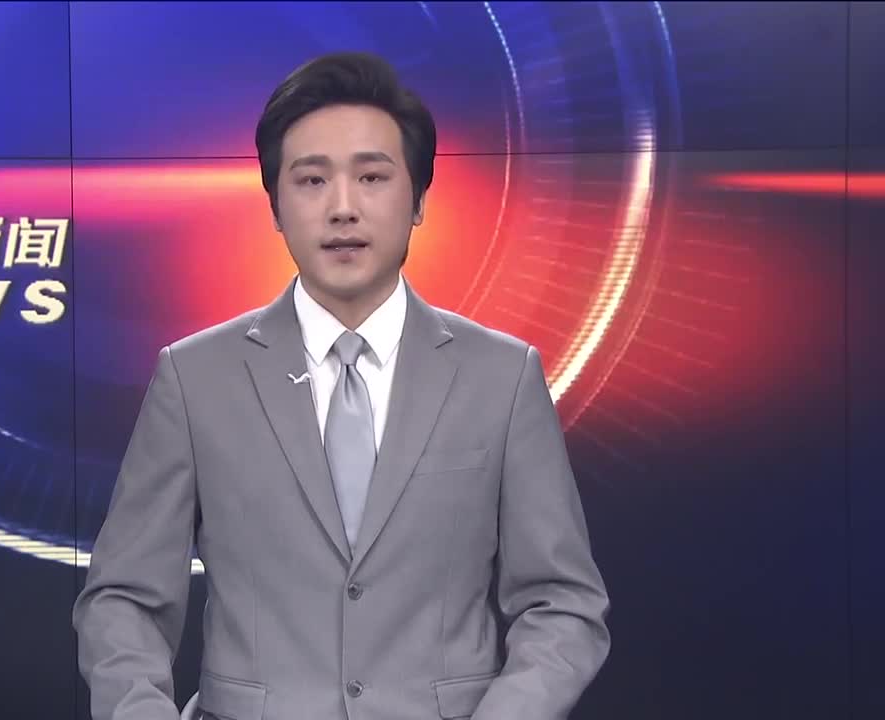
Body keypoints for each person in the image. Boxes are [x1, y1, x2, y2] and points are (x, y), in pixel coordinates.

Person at [72, 51, 611, 720]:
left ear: (418, 199)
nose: (343, 207)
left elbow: (562, 603)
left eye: (372, 177)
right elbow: (123, 599)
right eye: (311, 180)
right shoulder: (195, 376)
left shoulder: (501, 376)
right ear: (275, 206)